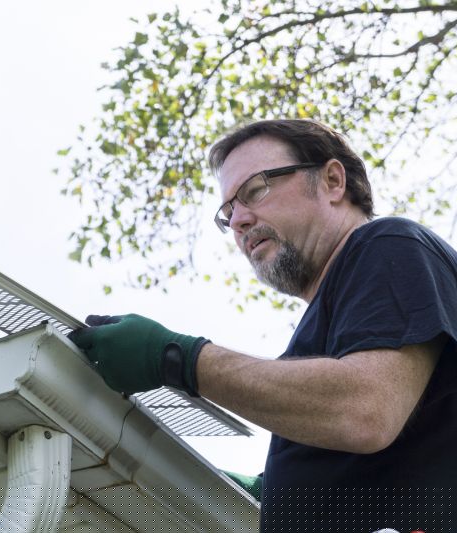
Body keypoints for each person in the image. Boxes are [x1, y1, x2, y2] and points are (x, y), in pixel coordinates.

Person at [68, 119, 457, 533]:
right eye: (228, 212)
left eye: (254, 190)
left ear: (332, 181)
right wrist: (266, 492)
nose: (238, 221)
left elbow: (365, 410)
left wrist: (177, 358)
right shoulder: (320, 337)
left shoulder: (389, 244)